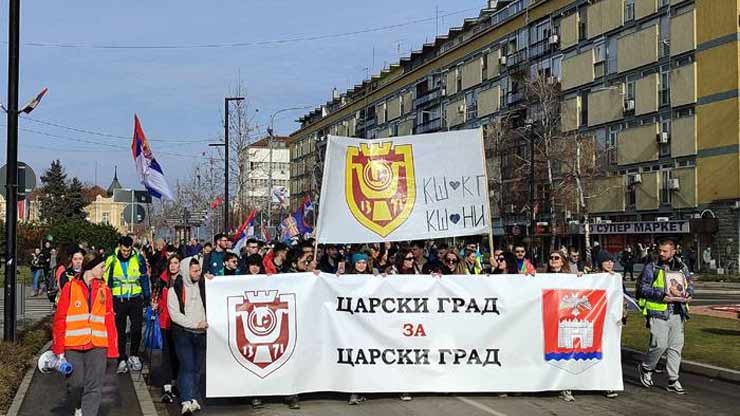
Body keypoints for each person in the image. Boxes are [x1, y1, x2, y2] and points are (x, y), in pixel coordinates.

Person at [52, 253, 118, 416]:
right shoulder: (70, 287)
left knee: (94, 387)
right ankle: (78, 405)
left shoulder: (105, 289)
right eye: (102, 266)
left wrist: (113, 351)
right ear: (91, 267)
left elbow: (109, 319)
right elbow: (60, 319)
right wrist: (58, 350)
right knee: (76, 384)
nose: (104, 270)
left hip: (98, 344)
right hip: (73, 345)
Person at [637, 238, 693, 395]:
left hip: (677, 311)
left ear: (673, 251)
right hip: (658, 312)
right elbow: (643, 288)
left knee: (676, 347)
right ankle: (647, 367)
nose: (661, 253)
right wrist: (661, 296)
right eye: (660, 251)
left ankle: (673, 380)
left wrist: (689, 295)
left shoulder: (682, 267)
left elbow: (689, 284)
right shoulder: (652, 267)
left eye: (665, 251)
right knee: (659, 345)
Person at [104, 236, 150, 374]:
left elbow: (143, 277)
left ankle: (134, 356)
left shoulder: (138, 258)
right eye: (124, 250)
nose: (126, 253)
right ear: (119, 246)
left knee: (136, 329)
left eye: (128, 250)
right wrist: (107, 300)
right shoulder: (111, 260)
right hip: (118, 299)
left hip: (135, 298)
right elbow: (107, 281)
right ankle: (121, 358)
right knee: (120, 331)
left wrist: (146, 296)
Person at [168, 257, 207, 415]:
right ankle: (186, 399)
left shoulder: (204, 285)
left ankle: (194, 398)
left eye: (199, 270)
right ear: (186, 271)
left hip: (201, 334)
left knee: (197, 368)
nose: (198, 273)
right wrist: (194, 324)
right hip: (183, 334)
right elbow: (175, 315)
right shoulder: (174, 290)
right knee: (187, 366)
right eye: (195, 271)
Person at [153, 255, 181, 404]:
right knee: (167, 355)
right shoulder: (162, 280)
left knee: (178, 355)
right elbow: (155, 297)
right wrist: (154, 305)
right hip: (165, 322)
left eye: (176, 263)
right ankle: (167, 387)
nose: (173, 266)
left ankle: (176, 383)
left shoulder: (184, 280)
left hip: (180, 323)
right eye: (171, 263)